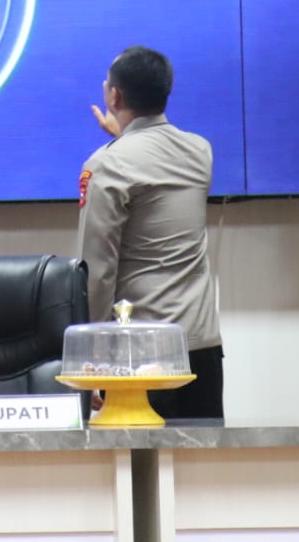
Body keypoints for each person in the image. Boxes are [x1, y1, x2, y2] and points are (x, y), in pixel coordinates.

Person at [78, 46, 223, 421]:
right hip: (201, 346)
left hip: (138, 354)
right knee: (200, 455)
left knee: (136, 458)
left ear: (114, 96)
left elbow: (98, 271)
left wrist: (90, 360)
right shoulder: (200, 151)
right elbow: (156, 168)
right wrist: (126, 139)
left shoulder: (107, 164)